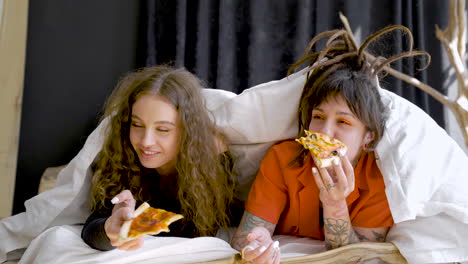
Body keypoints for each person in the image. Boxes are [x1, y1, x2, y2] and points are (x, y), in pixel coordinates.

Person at [230, 26, 428, 263]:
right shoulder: (282, 159)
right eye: (319, 117)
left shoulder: (382, 182)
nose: (324, 132)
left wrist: (335, 203)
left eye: (343, 122)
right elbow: (245, 238)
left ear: (369, 138)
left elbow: (357, 258)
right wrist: (257, 241)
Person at [81, 65, 242, 251]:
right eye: (137, 125)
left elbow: (197, 231)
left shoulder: (213, 165)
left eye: (163, 129)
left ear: (188, 131)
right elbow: (91, 229)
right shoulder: (121, 157)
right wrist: (110, 228)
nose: (146, 142)